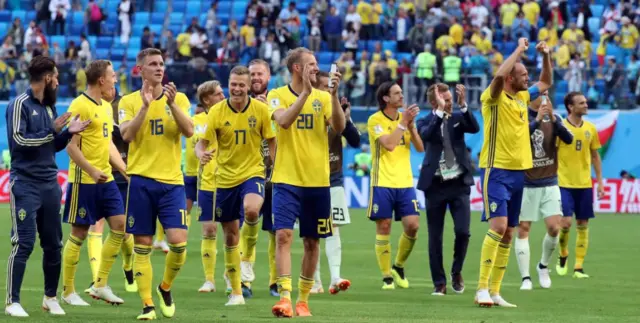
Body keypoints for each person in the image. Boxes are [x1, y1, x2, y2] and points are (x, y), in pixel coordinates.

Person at [5, 55, 90, 317]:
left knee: (54, 243)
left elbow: (51, 146)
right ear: (47, 78)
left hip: (49, 183)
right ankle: (12, 302)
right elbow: (19, 141)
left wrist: (68, 133)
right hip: (25, 183)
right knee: (25, 242)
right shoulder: (19, 104)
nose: (58, 81)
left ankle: (50, 297)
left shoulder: (50, 108)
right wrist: (52, 130)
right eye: (55, 76)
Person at [267, 47, 345, 318]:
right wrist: (305, 94)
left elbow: (339, 126)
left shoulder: (324, 97)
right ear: (297, 68)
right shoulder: (275, 95)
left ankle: (303, 300)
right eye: (311, 63)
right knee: (283, 235)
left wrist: (333, 96)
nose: (316, 67)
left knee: (312, 242)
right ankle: (285, 298)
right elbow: (284, 122)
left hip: (317, 181)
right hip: (286, 179)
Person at [475, 38, 552, 308]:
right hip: (496, 170)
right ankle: (481, 288)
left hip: (519, 173)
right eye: (522, 75)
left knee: (508, 232)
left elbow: (545, 83)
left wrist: (545, 55)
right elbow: (497, 76)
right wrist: (518, 49)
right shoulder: (492, 98)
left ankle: (495, 291)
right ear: (510, 78)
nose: (527, 79)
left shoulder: (521, 96)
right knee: (497, 226)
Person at [119, 48, 194, 320]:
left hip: (172, 182)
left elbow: (189, 131)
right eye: (153, 64)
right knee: (143, 243)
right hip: (140, 181)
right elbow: (126, 135)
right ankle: (147, 305)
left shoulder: (180, 98)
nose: (159, 68)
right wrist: (145, 107)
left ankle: (165, 287)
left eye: (161, 63)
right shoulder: (127, 101)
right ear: (140, 70)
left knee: (178, 243)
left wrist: (171, 105)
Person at [196, 65, 276, 306]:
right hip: (225, 179)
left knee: (252, 210)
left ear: (249, 86)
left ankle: (248, 254)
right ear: (228, 84)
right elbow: (201, 143)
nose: (237, 88)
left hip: (252, 173)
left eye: (242, 84)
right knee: (230, 237)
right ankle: (236, 292)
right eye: (233, 84)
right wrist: (201, 154)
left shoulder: (261, 110)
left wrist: (273, 165)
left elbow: (272, 141)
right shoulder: (217, 112)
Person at [60, 59, 129, 306]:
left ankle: (100, 285)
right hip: (84, 181)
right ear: (101, 80)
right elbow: (71, 146)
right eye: (112, 75)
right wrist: (91, 170)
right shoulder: (80, 105)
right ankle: (68, 292)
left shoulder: (106, 106)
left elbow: (107, 144)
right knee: (79, 233)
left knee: (120, 226)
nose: (115, 78)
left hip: (106, 179)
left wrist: (124, 170)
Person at [416, 83, 479, 296]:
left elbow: (474, 127)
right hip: (434, 186)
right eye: (445, 101)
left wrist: (463, 106)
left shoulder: (458, 118)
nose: (449, 103)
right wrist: (440, 112)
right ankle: (439, 283)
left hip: (458, 184)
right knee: (435, 237)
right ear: (434, 102)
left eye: (451, 99)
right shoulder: (424, 121)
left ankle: (456, 271)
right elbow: (428, 135)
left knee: (463, 232)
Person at [367, 81, 424, 291]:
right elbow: (390, 145)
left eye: (401, 92)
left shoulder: (405, 119)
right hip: (382, 181)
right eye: (397, 93)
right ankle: (386, 277)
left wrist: (411, 126)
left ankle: (398, 267)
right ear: (385, 98)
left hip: (405, 182)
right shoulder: (375, 120)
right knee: (384, 226)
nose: (401, 96)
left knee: (413, 226)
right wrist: (403, 124)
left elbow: (419, 147)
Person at [515, 91, 573, 290]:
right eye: (542, 94)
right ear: (532, 97)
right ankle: (525, 278)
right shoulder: (521, 114)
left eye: (548, 94)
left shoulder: (555, 118)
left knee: (554, 228)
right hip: (526, 183)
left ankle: (543, 265)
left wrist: (556, 122)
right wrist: (537, 119)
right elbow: (517, 139)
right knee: (523, 229)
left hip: (549, 182)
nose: (546, 98)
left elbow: (568, 139)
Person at [310, 71, 360, 295]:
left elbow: (356, 141)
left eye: (329, 87)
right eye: (323, 86)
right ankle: (315, 281)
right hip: (308, 177)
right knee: (311, 231)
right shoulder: (307, 109)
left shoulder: (336, 111)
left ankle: (335, 276)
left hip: (333, 175)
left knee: (333, 227)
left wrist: (346, 118)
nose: (327, 90)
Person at [555, 92, 604, 279]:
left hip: (584, 183)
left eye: (585, 102)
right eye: (581, 103)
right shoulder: (561, 128)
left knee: (583, 223)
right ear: (570, 107)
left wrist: (599, 182)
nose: (586, 105)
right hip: (563, 182)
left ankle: (578, 267)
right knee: (566, 222)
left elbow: (595, 156)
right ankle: (563, 253)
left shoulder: (591, 128)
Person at [241, 58, 277, 297]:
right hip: (247, 173)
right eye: (252, 74)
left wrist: (270, 113)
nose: (255, 78)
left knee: (278, 230)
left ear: (269, 76)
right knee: (248, 220)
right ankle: (244, 280)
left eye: (259, 74)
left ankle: (276, 282)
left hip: (276, 174)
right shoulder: (238, 103)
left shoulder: (279, 100)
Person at [193, 81, 225, 293]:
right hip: (207, 181)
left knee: (232, 232)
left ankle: (234, 277)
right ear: (207, 99)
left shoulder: (231, 114)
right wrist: (200, 154)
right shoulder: (197, 121)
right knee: (209, 229)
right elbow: (197, 143)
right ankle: (210, 279)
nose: (223, 96)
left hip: (231, 180)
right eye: (218, 94)